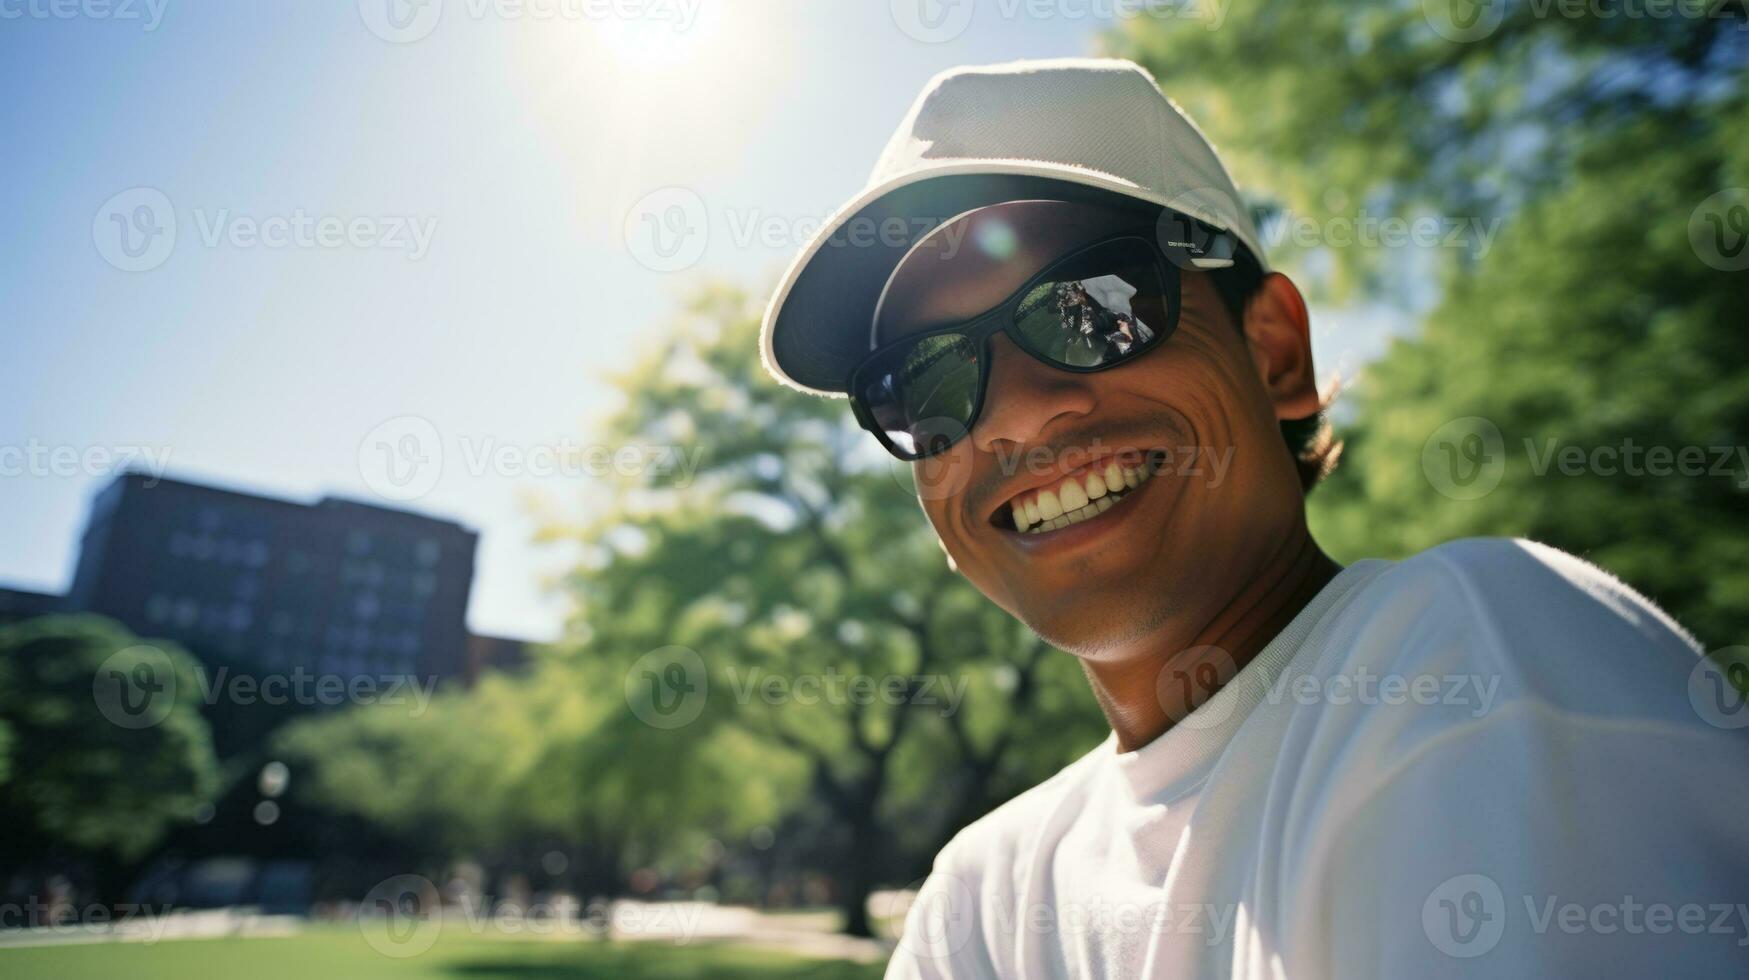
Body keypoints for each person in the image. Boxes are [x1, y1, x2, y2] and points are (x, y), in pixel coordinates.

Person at [760, 58, 1749, 978]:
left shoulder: (1474, 646)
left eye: (1093, 306)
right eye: (924, 380)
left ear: (1273, 351)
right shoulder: (982, 893)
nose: (1017, 410)